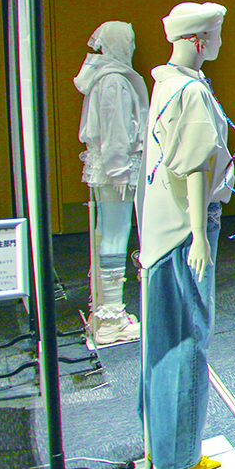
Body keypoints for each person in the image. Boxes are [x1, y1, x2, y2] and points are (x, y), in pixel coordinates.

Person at [139, 2, 235, 469]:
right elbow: (194, 166)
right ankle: (180, 454)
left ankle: (160, 444)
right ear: (199, 40)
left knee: (163, 335)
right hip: (184, 229)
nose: (219, 42)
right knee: (188, 334)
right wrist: (198, 234)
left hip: (163, 224)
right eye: (215, 34)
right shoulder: (191, 91)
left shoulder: (166, 83)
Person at [73, 20, 148, 347]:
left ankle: (105, 308)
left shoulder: (104, 77)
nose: (131, 47)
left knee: (106, 233)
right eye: (128, 41)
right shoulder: (114, 80)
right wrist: (120, 170)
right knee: (115, 235)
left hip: (108, 167)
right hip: (116, 169)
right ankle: (111, 317)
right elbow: (116, 131)